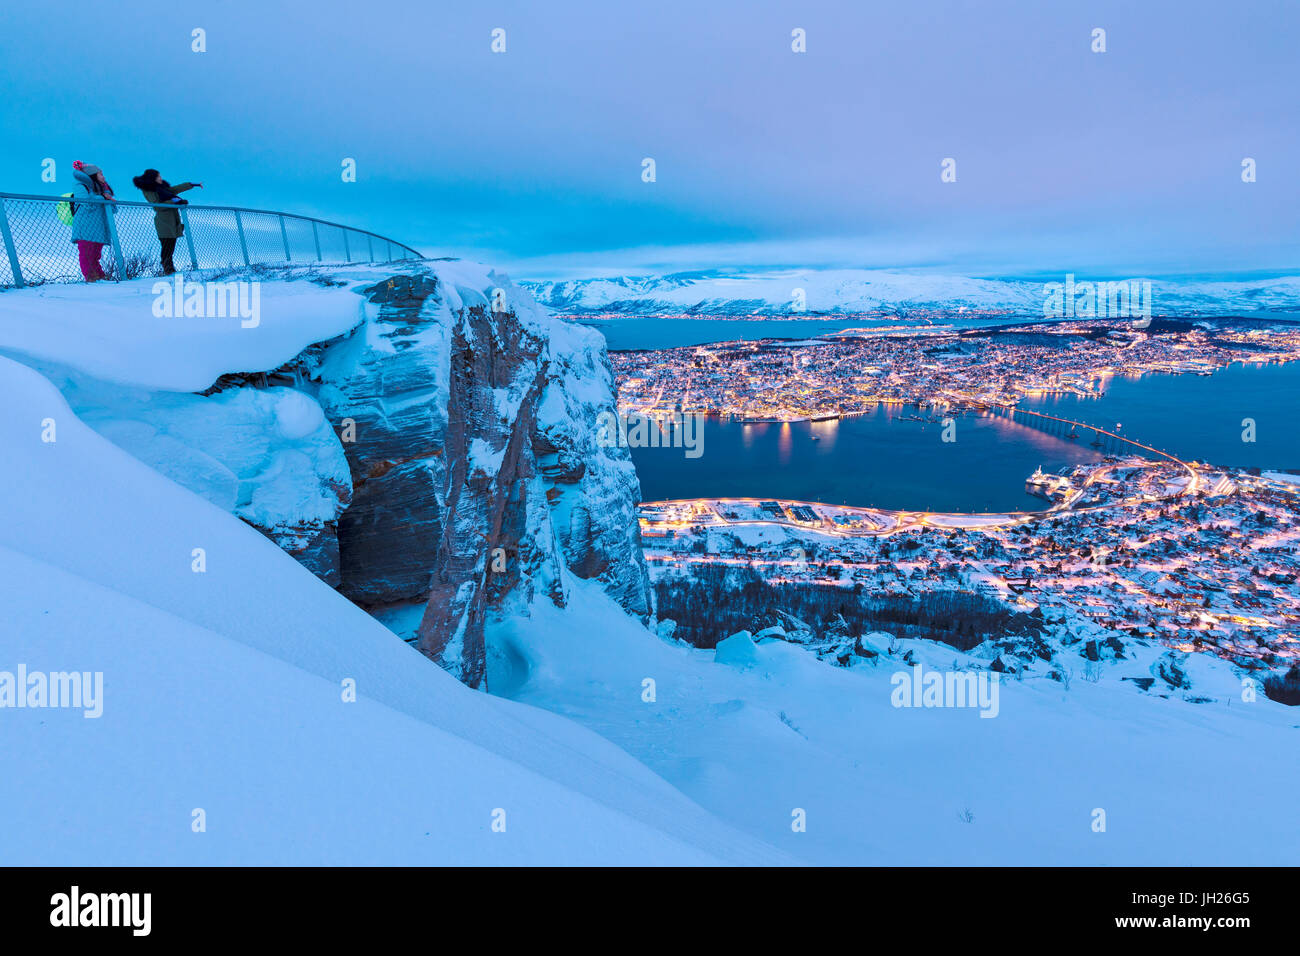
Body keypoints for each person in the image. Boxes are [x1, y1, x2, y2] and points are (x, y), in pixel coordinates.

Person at [132, 170, 202, 275]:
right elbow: (157, 205)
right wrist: (174, 202)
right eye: (158, 176)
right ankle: (168, 269)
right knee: (167, 246)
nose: (161, 178)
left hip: (172, 221)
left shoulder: (162, 188)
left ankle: (170, 269)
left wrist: (190, 185)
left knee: (171, 246)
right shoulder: (149, 190)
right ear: (153, 178)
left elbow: (175, 189)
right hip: (164, 222)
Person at [69, 160, 116, 281]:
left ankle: (100, 277)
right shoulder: (80, 185)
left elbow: (113, 209)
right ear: (92, 175)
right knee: (86, 254)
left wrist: (106, 195)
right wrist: (103, 197)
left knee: (95, 255)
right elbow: (86, 202)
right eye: (100, 174)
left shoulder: (101, 190)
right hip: (85, 226)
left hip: (99, 227)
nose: (103, 176)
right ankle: (90, 278)